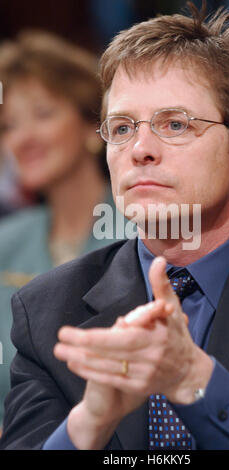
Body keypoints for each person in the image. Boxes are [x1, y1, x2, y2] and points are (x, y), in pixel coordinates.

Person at [0, 2, 229, 450]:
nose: (140, 150)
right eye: (121, 128)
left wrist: (194, 380)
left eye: (174, 124)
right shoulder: (46, 314)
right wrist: (88, 425)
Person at [0, 31, 120, 429]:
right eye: (8, 125)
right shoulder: (7, 240)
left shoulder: (147, 230)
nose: (23, 138)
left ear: (92, 125)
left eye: (44, 113)